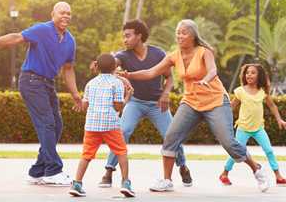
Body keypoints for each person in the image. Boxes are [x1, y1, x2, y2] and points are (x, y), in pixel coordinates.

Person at [120, 19, 270, 192]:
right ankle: (167, 180)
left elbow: (213, 70)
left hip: (215, 102)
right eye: (178, 32)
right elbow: (151, 72)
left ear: (193, 36)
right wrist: (128, 75)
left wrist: (206, 80)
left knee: (228, 142)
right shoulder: (174, 56)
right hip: (191, 102)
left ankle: (257, 169)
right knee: (171, 137)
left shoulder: (204, 52)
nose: (179, 35)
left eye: (184, 32)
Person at [0, 2, 82, 186]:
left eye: (69, 13)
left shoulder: (70, 41)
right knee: (47, 123)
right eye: (62, 12)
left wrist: (76, 94)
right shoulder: (42, 30)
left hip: (48, 83)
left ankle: (38, 171)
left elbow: (68, 69)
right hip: (31, 81)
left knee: (57, 125)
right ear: (53, 13)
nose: (66, 16)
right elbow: (16, 37)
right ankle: (53, 170)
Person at [97, 19, 192, 188]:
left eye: (128, 36)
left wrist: (166, 93)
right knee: (122, 131)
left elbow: (169, 77)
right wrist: (103, 63)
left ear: (139, 36)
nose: (124, 40)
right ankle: (109, 171)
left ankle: (182, 166)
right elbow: (113, 62)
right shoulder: (123, 55)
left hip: (157, 104)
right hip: (135, 102)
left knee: (171, 135)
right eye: (123, 36)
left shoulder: (158, 53)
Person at [69, 53, 134, 197]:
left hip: (92, 125)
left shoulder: (90, 84)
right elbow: (117, 107)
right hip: (110, 124)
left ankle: (77, 183)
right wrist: (127, 97)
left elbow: (85, 105)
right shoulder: (117, 83)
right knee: (121, 152)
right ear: (115, 68)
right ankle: (125, 182)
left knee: (86, 155)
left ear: (96, 67)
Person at [218, 63, 286, 186]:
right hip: (243, 128)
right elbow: (231, 107)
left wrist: (279, 120)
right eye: (247, 73)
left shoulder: (263, 92)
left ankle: (278, 176)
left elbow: (272, 106)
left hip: (258, 129)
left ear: (259, 76)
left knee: (269, 151)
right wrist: (220, 117)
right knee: (236, 152)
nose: (249, 75)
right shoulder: (240, 91)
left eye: (253, 73)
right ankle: (224, 173)